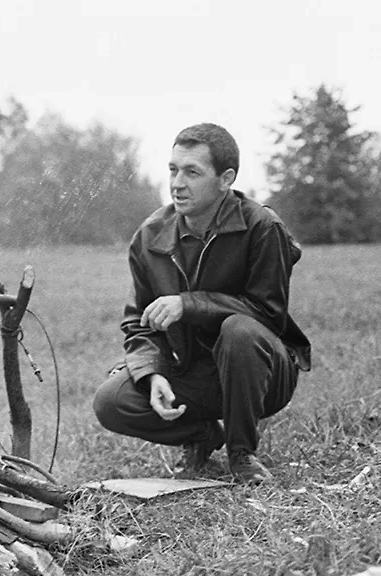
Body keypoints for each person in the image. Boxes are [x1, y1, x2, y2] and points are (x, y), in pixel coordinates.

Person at [92, 123, 311, 485]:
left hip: (263, 371)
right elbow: (139, 323)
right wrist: (153, 372)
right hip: (193, 372)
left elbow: (268, 314)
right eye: (173, 169)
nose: (177, 183)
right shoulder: (150, 236)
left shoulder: (262, 226)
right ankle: (203, 436)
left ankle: (242, 454)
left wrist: (189, 304)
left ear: (226, 179)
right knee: (112, 401)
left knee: (238, 330)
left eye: (192, 172)